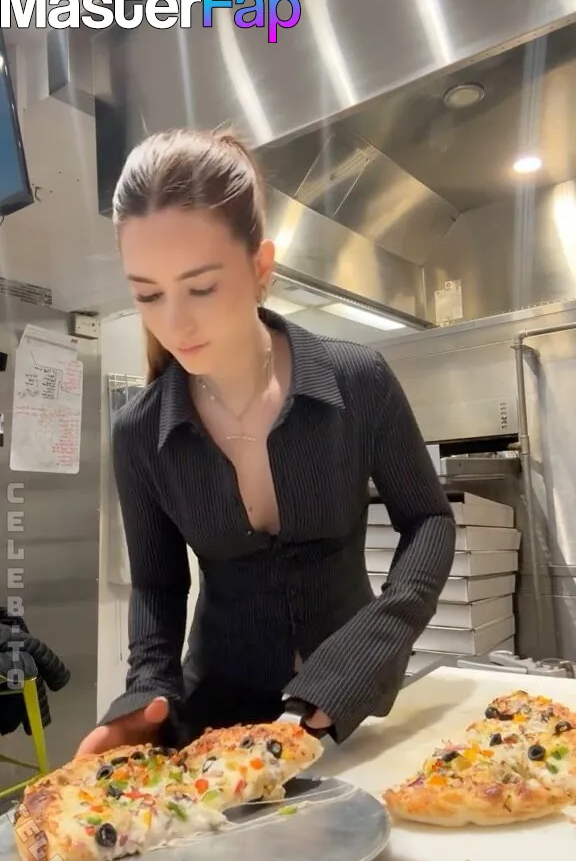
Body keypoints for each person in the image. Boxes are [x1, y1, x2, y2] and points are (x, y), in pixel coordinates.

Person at [76, 127, 456, 756]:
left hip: (350, 712)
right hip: (214, 724)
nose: (175, 321)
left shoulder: (358, 380)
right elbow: (157, 586)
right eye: (147, 294)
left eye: (201, 287)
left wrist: (361, 660)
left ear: (260, 268)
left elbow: (429, 523)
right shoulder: (140, 432)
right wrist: (146, 696)